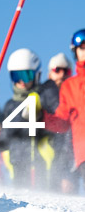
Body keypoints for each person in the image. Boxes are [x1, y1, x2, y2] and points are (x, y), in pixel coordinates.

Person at [0, 48, 51, 188]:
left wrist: (40, 114)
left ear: (36, 75)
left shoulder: (44, 98)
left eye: (27, 75)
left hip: (39, 160)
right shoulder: (10, 106)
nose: (21, 81)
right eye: (16, 76)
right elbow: (6, 135)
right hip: (18, 160)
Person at [45, 29, 85, 193]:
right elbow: (62, 122)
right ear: (75, 51)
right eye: (82, 47)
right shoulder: (70, 86)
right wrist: (42, 117)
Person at [39, 52, 74, 192]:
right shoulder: (48, 90)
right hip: (49, 150)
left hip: (67, 153)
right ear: (49, 74)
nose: (62, 74)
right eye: (57, 70)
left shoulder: (73, 95)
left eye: (66, 71)